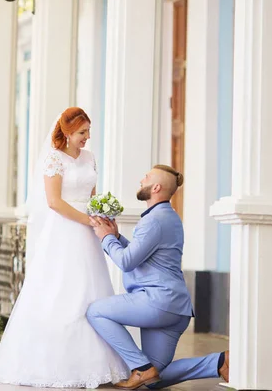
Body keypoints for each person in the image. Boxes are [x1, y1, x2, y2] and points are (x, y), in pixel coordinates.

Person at [0, 107, 129, 388]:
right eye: (81, 133)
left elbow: (92, 196)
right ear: (66, 132)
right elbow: (54, 202)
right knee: (62, 291)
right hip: (64, 231)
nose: (86, 137)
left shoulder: (89, 158)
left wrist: (101, 213)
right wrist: (87, 220)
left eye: (88, 131)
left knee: (92, 290)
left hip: (88, 233)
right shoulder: (54, 159)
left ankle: (100, 363)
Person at [87, 165, 229, 389]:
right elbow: (143, 254)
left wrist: (105, 238)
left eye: (147, 177)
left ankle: (140, 368)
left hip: (158, 302)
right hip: (176, 308)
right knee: (155, 379)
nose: (141, 179)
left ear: (156, 187)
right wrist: (116, 237)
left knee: (95, 311)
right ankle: (218, 362)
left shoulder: (154, 220)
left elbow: (126, 261)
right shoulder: (167, 216)